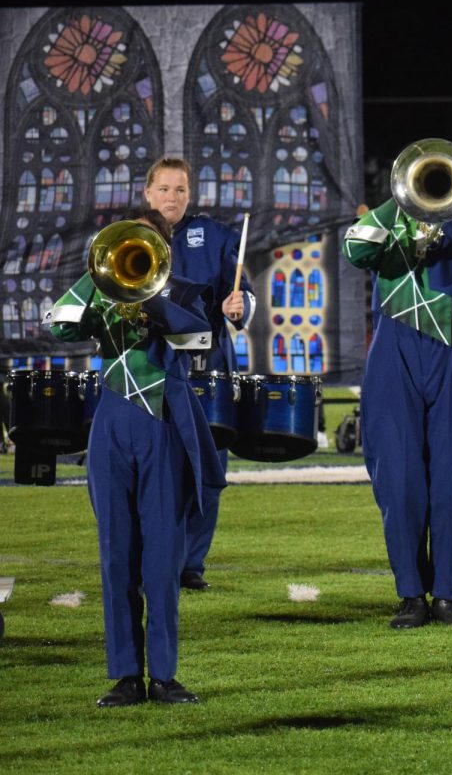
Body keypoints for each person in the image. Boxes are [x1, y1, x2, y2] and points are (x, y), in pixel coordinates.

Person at [46, 208, 223, 707]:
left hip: (162, 422)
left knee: (162, 558)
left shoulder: (184, 289)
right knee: (115, 554)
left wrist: (152, 295)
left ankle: (164, 675)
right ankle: (126, 674)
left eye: (143, 245)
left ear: (163, 248)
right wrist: (99, 276)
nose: (134, 254)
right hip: (112, 424)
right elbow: (59, 324)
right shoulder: (99, 291)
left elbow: (198, 337)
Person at [343, 180, 452, 630]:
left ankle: (449, 594)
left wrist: (442, 217)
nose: (424, 195)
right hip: (395, 347)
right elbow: (354, 248)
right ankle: (411, 593)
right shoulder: (385, 225)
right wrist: (397, 206)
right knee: (398, 476)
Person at [141, 157, 255, 592]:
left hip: (206, 371)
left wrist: (239, 305)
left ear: (191, 195)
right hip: (149, 369)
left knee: (206, 467)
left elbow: (242, 291)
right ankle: (152, 555)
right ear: (148, 192)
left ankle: (191, 564)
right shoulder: (130, 236)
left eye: (181, 190)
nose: (172, 198)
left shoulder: (215, 235)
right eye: (165, 189)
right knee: (153, 467)